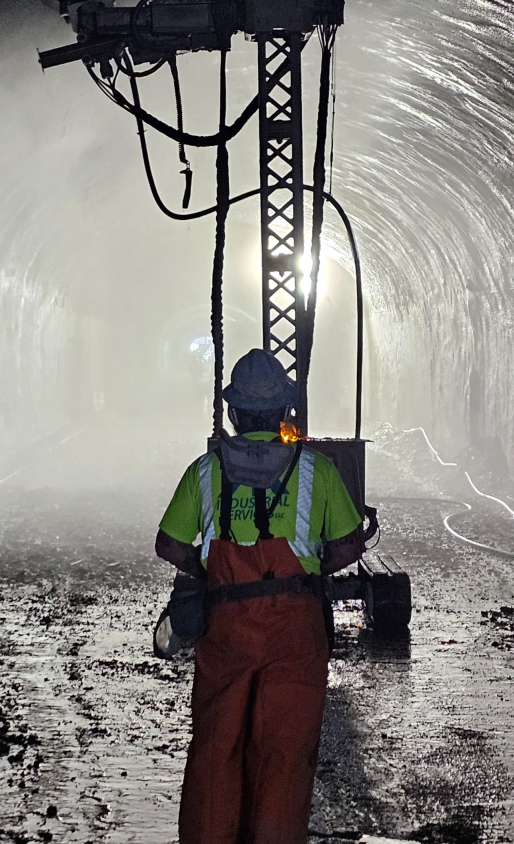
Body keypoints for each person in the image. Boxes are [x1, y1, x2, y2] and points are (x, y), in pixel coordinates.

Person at [155, 348, 363, 844]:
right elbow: (351, 545)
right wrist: (308, 570)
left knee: (215, 748)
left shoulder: (204, 472)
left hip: (226, 627)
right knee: (284, 755)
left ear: (233, 412)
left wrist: (208, 570)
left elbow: (169, 544)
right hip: (294, 630)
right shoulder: (316, 471)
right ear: (284, 414)